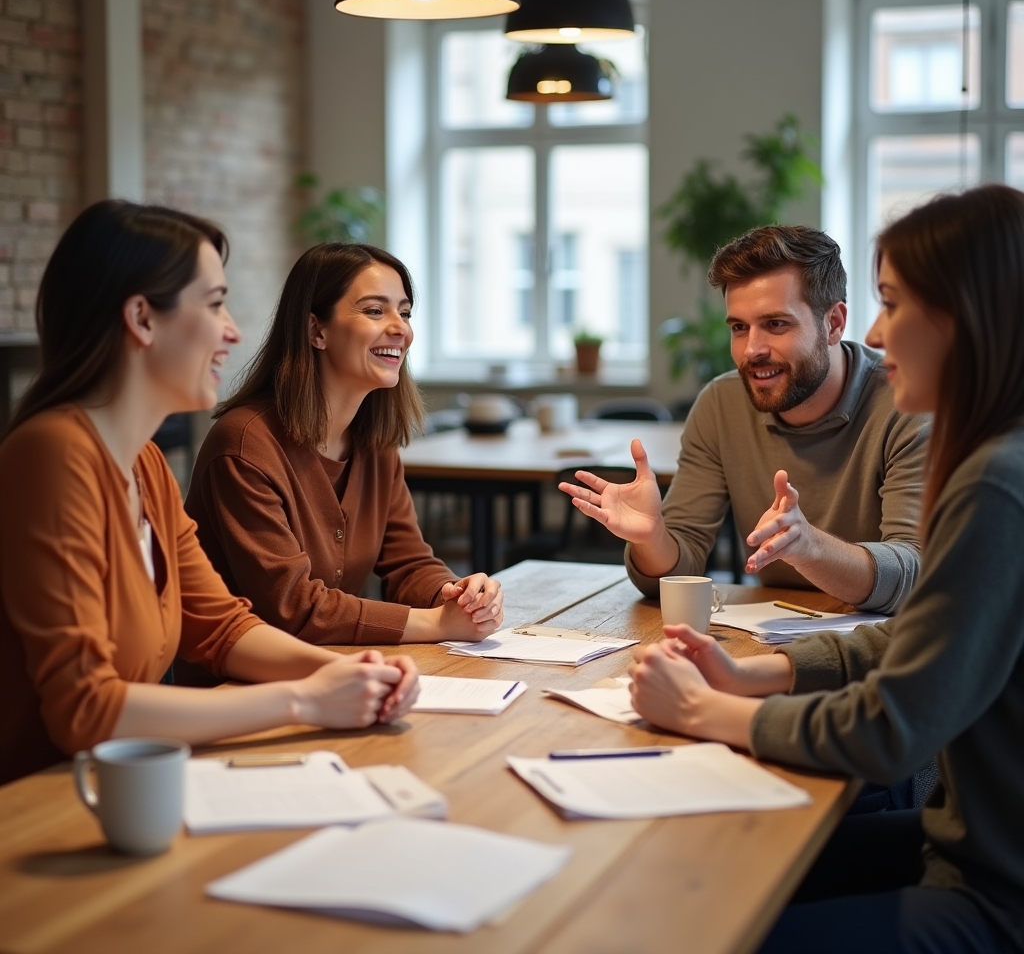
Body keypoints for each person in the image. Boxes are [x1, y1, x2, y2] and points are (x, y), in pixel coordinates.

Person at [629, 185, 1024, 953]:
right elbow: (919, 641)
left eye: (894, 303)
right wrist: (761, 673)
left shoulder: (995, 483)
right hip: (968, 845)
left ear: (966, 320)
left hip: (995, 892)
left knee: (706, 921)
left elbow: (890, 732)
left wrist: (706, 714)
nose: (879, 331)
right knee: (709, 872)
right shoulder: (1000, 457)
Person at [0, 201, 419, 787]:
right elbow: (85, 711)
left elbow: (220, 626)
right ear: (143, 319)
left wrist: (352, 674)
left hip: (128, 783)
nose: (233, 330)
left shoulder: (143, 462)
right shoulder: (53, 453)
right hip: (39, 804)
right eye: (214, 303)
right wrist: (303, 700)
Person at [559, 225, 928, 614]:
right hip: (773, 638)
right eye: (739, 327)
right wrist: (652, 539)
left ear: (834, 323)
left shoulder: (906, 401)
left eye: (776, 324)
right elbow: (673, 571)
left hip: (882, 647)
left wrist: (809, 547)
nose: (752, 349)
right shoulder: (721, 404)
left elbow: (913, 572)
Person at [184, 242, 503, 647]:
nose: (400, 328)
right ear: (316, 330)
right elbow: (292, 608)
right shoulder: (246, 445)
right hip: (239, 694)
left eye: (404, 312)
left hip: (342, 672)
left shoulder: (375, 443)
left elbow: (408, 562)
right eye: (374, 310)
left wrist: (456, 596)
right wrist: (438, 624)